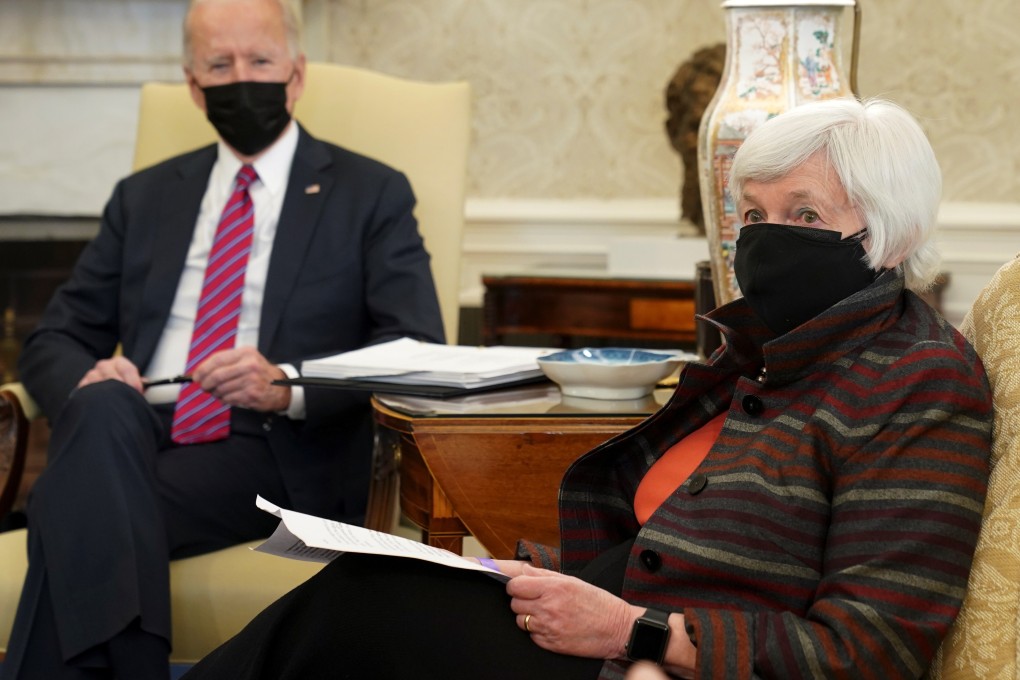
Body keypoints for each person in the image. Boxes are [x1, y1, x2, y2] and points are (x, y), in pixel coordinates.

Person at [182, 97, 993, 680]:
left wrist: (632, 634)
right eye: (753, 214)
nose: (769, 238)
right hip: (594, 615)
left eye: (805, 216)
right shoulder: (765, 351)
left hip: (648, 652)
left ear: (889, 232)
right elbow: (665, 535)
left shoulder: (918, 378)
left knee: (359, 611)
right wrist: (536, 578)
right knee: (367, 593)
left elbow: (869, 650)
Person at [0, 0, 444, 678]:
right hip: (137, 426)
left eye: (259, 61)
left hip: (270, 446)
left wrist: (286, 384)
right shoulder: (144, 197)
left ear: (296, 76)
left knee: (70, 504)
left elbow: (415, 345)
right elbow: (54, 338)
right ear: (192, 84)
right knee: (100, 408)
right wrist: (87, 378)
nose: (241, 78)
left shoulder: (369, 193)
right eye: (219, 63)